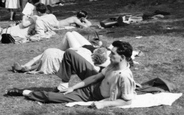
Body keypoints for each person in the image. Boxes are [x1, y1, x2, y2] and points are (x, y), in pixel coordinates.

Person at [5, 40, 136, 109]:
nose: (110, 55)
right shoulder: (113, 64)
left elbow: (127, 101)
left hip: (93, 94)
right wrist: (73, 87)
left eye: (113, 54)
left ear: (122, 57)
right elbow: (96, 77)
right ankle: (64, 84)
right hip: (96, 83)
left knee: (52, 97)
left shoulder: (124, 76)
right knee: (70, 53)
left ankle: (25, 92)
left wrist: (103, 104)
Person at [12, 31, 106, 74]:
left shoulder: (88, 54)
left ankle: (27, 66)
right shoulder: (92, 62)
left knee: (53, 53)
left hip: (79, 54)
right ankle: (28, 66)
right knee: (54, 54)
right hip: (85, 51)